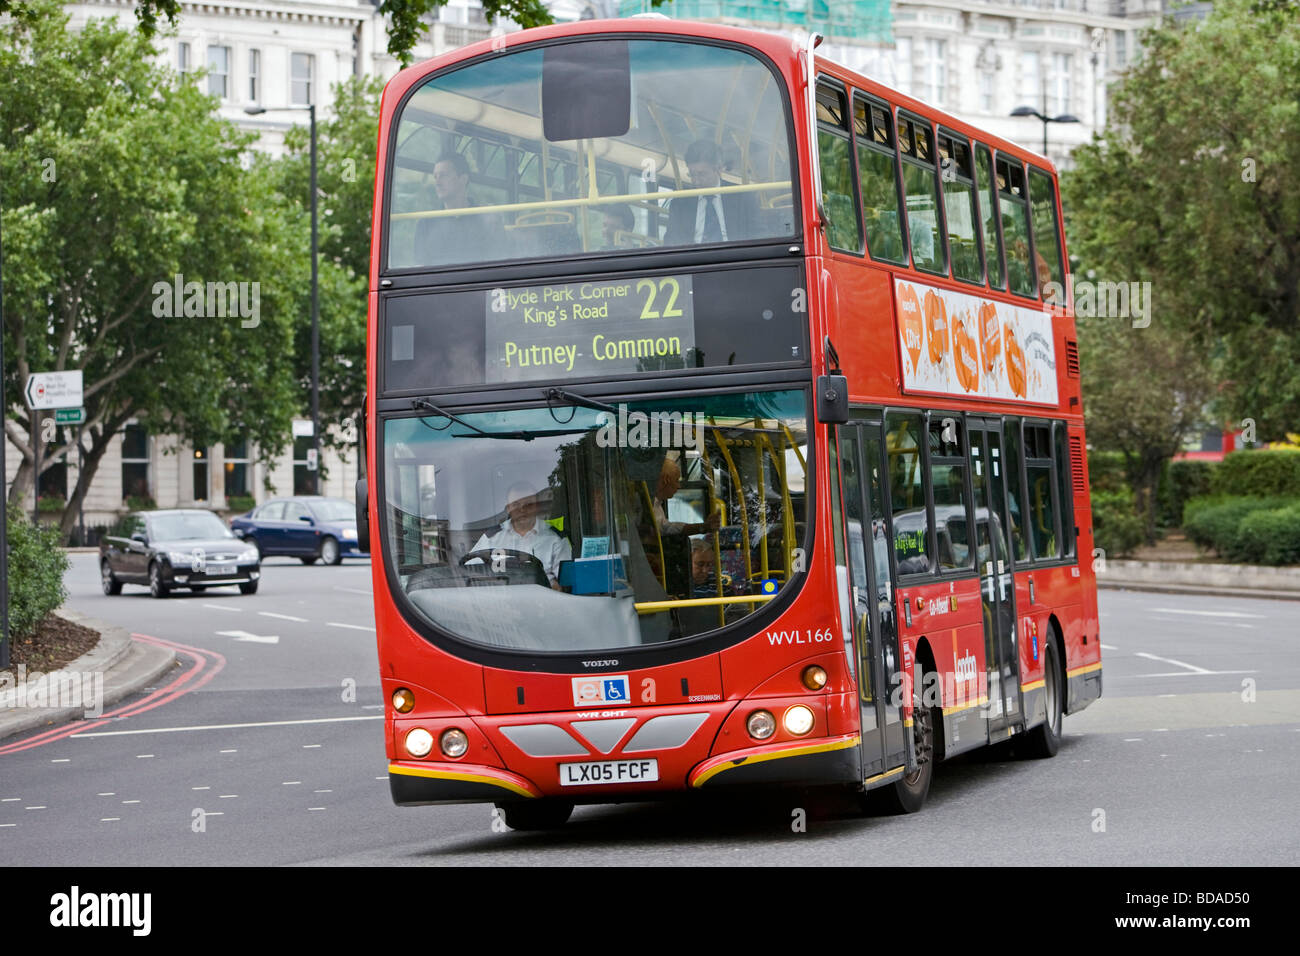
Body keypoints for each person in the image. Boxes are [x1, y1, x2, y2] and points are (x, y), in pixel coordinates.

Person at [470, 483, 572, 589]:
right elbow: (470, 570)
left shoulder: (555, 538)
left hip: (542, 600)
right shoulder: (491, 538)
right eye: (516, 505)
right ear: (508, 508)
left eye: (528, 505)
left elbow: (566, 583)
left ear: (537, 506)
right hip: (500, 600)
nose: (522, 510)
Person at [663, 139, 757, 246]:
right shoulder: (680, 204)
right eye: (692, 175)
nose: (696, 181)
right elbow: (670, 242)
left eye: (702, 174)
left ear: (718, 169)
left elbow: (758, 236)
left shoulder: (742, 198)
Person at [416, 152, 502, 266]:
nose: (437, 182)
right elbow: (420, 268)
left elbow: (498, 264)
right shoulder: (426, 225)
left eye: (443, 175)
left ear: (463, 179)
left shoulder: (487, 220)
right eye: (435, 176)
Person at [651, 457, 720, 537]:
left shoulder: (656, 503)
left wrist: (703, 527)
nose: (679, 486)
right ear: (666, 480)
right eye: (676, 480)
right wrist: (703, 527)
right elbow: (665, 528)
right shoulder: (647, 503)